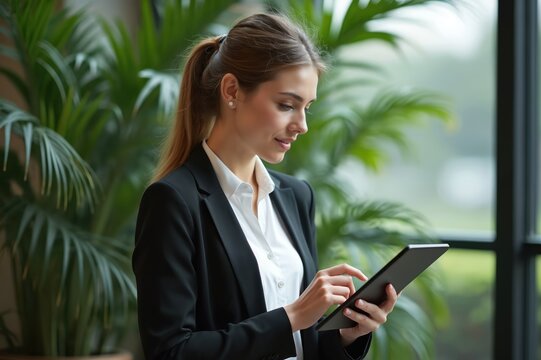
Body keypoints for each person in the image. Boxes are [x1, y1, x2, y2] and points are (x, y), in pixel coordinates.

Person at [132, 12, 398, 360]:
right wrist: (292, 317)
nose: (301, 125)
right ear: (232, 90)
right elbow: (170, 352)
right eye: (286, 105)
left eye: (307, 108)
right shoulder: (174, 201)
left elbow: (306, 344)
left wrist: (348, 335)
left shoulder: (296, 197)